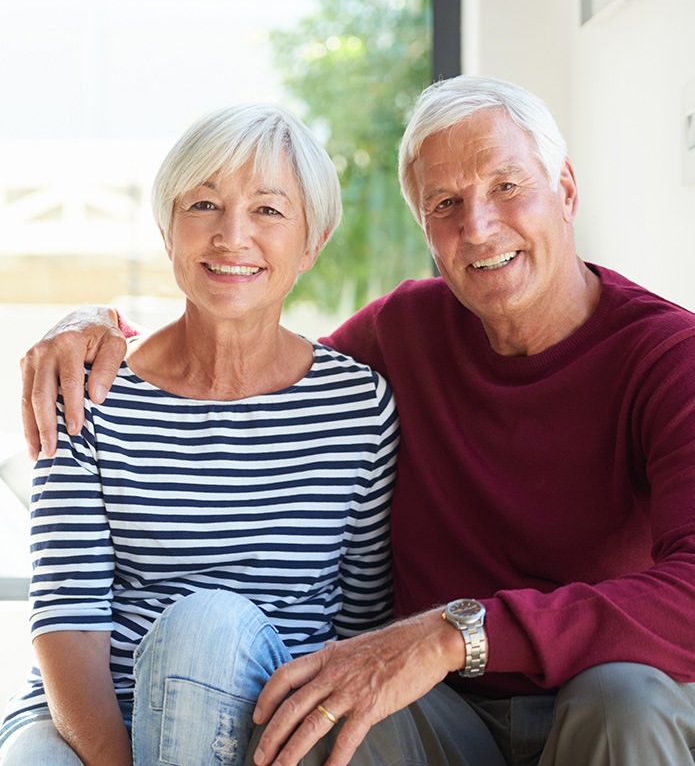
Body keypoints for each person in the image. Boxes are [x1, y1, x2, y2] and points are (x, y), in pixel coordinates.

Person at [16, 74, 695, 766]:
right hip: (441, 708)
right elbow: (252, 362)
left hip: (592, 690)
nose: (478, 226)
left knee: (627, 698)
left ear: (567, 190)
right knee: (335, 709)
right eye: (445, 203)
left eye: (507, 187)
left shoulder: (667, 358)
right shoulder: (403, 334)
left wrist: (454, 634)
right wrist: (85, 324)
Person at [0, 103, 400, 765]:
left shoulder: (356, 406)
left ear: (312, 242)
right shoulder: (89, 386)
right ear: (166, 230)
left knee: (205, 628)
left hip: (270, 723)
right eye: (204, 205)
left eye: (268, 210)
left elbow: (359, 625)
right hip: (91, 719)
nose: (231, 236)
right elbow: (65, 619)